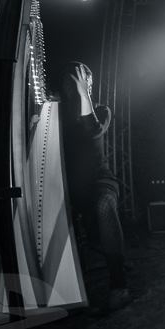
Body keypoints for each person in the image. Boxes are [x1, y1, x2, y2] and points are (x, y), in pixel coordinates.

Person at [58, 61, 129, 312]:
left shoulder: (101, 110)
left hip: (100, 180)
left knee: (103, 205)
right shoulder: (56, 115)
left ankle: (119, 285)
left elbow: (92, 131)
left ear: (89, 84)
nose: (75, 85)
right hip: (69, 184)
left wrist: (83, 94)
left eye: (82, 81)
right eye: (71, 82)